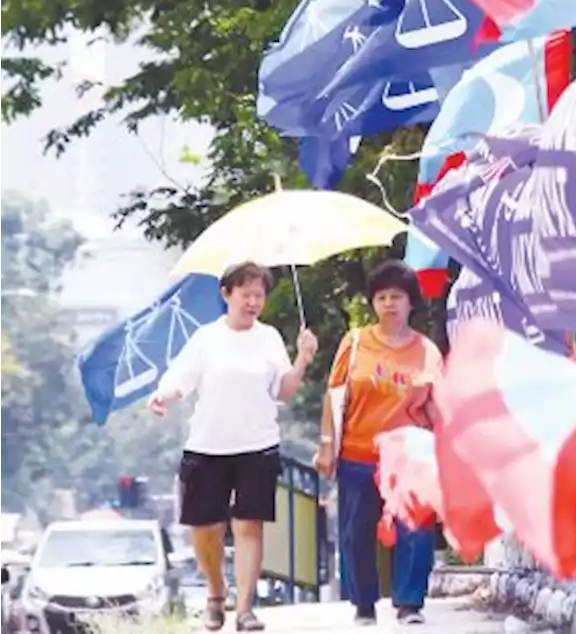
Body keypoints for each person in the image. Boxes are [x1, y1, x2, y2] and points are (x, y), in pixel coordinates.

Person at [148, 262, 318, 633]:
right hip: (208, 446)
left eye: (259, 295)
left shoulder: (269, 337)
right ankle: (215, 592)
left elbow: (284, 392)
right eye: (246, 294)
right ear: (226, 294)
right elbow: (180, 379)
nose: (254, 302)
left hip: (257, 445)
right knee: (205, 527)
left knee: (249, 525)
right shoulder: (206, 339)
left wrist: (303, 359)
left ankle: (244, 608)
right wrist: (164, 395)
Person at [314, 260, 444, 627]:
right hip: (358, 453)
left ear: (410, 303)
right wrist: (327, 445)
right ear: (373, 303)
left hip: (410, 458)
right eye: (382, 297)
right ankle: (364, 603)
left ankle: (409, 603)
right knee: (356, 533)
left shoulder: (426, 350)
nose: (389, 304)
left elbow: (439, 403)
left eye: (397, 296)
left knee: (415, 531)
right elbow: (334, 394)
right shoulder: (355, 343)